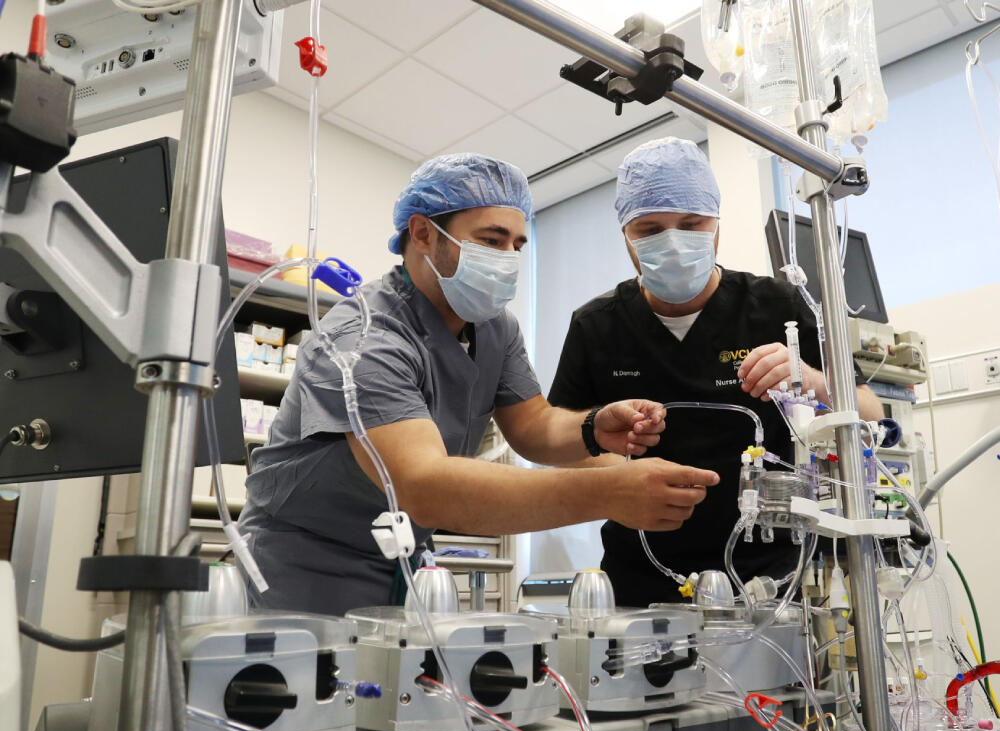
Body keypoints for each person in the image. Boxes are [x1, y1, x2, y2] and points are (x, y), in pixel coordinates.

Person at [238, 153, 720, 616]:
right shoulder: (363, 338)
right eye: (491, 241)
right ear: (424, 233)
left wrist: (594, 427)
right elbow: (422, 486)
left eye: (517, 244)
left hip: (402, 560)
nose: (509, 258)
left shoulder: (493, 326)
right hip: (304, 567)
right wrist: (606, 493)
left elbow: (531, 424)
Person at [548, 138, 882, 609]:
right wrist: (619, 478)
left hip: (771, 579)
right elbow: (561, 444)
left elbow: (871, 412)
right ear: (625, 234)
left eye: (691, 224)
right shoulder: (596, 325)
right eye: (649, 228)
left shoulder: (777, 306)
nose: (673, 241)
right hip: (641, 578)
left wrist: (812, 380)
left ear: (717, 225)